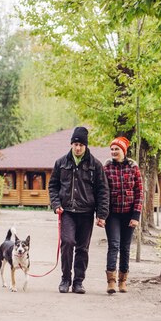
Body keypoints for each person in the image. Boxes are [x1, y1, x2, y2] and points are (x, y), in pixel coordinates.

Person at [49, 126, 109, 294]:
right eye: (75, 144)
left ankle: (78, 282)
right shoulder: (61, 163)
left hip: (86, 212)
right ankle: (65, 279)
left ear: (86, 146)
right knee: (67, 243)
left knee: (82, 248)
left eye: (81, 145)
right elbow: (53, 186)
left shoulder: (95, 165)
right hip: (67, 211)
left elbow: (103, 190)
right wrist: (56, 204)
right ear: (71, 144)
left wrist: (102, 214)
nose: (77, 148)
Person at [103, 136, 143, 294]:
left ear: (123, 151)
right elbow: (103, 192)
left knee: (125, 248)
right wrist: (102, 214)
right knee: (113, 245)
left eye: (116, 149)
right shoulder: (106, 168)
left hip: (129, 214)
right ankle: (111, 281)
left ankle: (123, 281)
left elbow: (139, 192)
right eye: (112, 149)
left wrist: (136, 215)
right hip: (112, 214)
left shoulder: (133, 168)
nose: (114, 152)